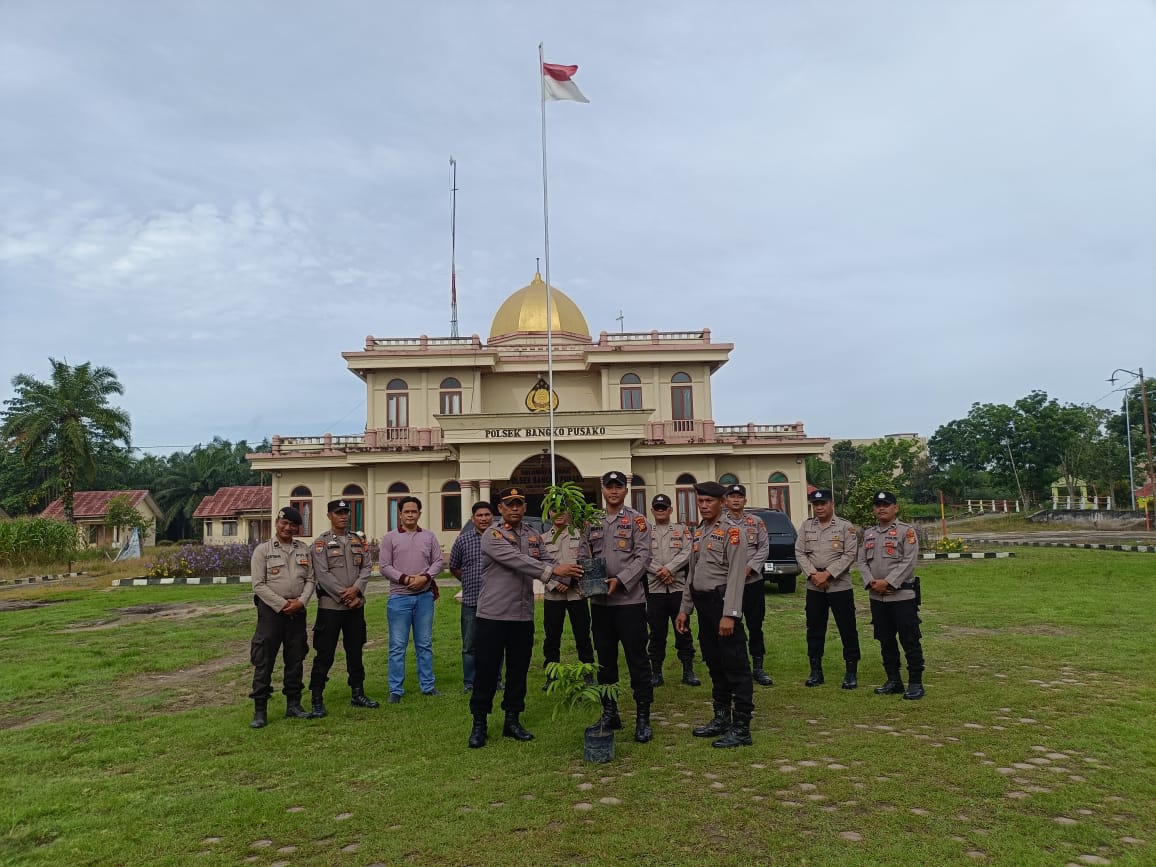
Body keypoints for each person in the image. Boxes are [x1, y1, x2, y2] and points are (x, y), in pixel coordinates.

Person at [468, 487, 582, 748]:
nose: (515, 508)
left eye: (519, 503)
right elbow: (518, 561)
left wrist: (577, 571)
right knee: (486, 671)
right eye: (509, 504)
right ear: (500, 508)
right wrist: (555, 571)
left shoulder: (533, 535)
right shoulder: (492, 535)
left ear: (524, 507)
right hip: (493, 615)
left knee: (518, 671)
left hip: (521, 615)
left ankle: (512, 720)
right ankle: (479, 723)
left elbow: (548, 558)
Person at [676, 481, 755, 748]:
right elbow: (692, 573)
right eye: (700, 501)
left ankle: (741, 727)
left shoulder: (733, 532)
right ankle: (721, 717)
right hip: (703, 606)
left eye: (709, 501)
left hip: (722, 605)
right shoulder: (700, 531)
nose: (704, 506)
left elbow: (736, 577)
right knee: (714, 663)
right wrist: (685, 609)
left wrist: (730, 614)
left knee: (736, 665)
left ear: (722, 502)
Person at [586, 470, 654, 744]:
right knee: (605, 662)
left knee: (637, 660)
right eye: (609, 486)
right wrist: (587, 578)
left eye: (618, 486)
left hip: (630, 603)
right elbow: (584, 553)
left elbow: (643, 557)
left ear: (626, 490)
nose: (613, 491)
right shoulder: (591, 521)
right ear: (602, 489)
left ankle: (643, 717)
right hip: (601, 603)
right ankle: (610, 712)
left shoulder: (638, 521)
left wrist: (621, 580)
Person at [308, 499, 377, 716]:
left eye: (346, 512)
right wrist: (344, 595)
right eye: (338, 513)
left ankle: (358, 693)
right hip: (331, 607)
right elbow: (322, 574)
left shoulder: (357, 540)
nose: (343, 516)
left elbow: (366, 567)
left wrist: (356, 590)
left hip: (355, 606)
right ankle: (316, 698)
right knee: (325, 653)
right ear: (329, 516)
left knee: (355, 651)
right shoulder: (321, 543)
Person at [248, 506, 315, 729]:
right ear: (277, 523)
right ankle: (260, 710)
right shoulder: (263, 550)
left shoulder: (303, 549)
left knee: (295, 658)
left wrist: (301, 602)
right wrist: (283, 604)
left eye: (293, 525)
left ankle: (293, 705)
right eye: (284, 523)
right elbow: (258, 585)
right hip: (271, 612)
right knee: (264, 659)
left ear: (297, 528)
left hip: (297, 611)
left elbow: (311, 580)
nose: (288, 528)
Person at [857, 490, 925, 700]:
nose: (881, 508)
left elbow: (909, 561)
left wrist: (888, 582)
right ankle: (893, 680)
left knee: (909, 639)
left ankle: (915, 683)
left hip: (901, 596)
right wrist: (871, 582)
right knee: (885, 639)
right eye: (878, 505)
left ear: (896, 508)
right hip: (877, 597)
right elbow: (861, 561)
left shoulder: (906, 531)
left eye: (886, 505)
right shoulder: (869, 533)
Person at [794, 489, 861, 689]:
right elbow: (799, 552)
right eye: (815, 504)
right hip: (814, 585)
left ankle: (851, 672)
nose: (819, 507)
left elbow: (850, 554)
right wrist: (813, 574)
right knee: (814, 629)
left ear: (832, 504)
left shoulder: (845, 527)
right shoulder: (806, 526)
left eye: (823, 503)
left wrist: (828, 574)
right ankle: (816, 671)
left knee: (847, 628)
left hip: (839, 585)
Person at [380, 496, 444, 702]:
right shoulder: (390, 538)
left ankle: (428, 685)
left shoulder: (429, 536)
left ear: (419, 514)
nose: (410, 515)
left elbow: (438, 562)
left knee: (424, 643)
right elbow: (384, 566)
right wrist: (406, 579)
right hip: (399, 598)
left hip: (424, 597)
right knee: (397, 646)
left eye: (413, 511)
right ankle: (395, 690)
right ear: (399, 514)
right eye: (406, 511)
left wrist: (425, 577)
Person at [645, 493, 700, 687]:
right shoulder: (645, 531)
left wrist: (669, 569)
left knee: (683, 629)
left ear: (670, 510)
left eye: (664, 508)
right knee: (656, 632)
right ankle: (656, 672)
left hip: (677, 588)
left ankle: (688, 670)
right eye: (657, 508)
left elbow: (688, 551)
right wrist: (660, 572)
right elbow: (642, 555)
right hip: (655, 589)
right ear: (652, 511)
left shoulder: (681, 530)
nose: (660, 511)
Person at [723, 484, 772, 686]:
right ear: (726, 501)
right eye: (732, 496)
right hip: (728, 584)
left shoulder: (756, 522)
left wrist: (750, 567)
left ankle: (758, 667)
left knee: (755, 625)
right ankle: (734, 666)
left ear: (745, 500)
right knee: (730, 625)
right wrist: (734, 571)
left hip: (752, 583)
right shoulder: (719, 523)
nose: (736, 499)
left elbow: (764, 547)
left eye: (739, 496)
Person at [541, 510, 596, 690]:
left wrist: (572, 582)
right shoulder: (543, 539)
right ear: (549, 513)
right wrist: (555, 583)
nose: (559, 514)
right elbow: (539, 566)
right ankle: (551, 675)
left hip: (577, 594)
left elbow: (587, 562)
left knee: (583, 636)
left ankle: (588, 673)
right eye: (554, 510)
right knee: (552, 637)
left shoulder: (580, 535)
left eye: (563, 510)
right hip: (553, 595)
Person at [449, 500, 494, 693]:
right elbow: (454, 566)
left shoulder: (501, 537)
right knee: (470, 645)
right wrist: (468, 580)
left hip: (496, 601)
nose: (483, 519)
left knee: (495, 643)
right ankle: (470, 682)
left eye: (487, 515)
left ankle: (495, 680)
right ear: (472, 519)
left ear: (493, 517)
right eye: (479, 515)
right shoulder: (463, 540)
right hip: (471, 600)